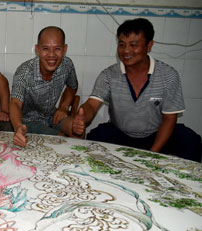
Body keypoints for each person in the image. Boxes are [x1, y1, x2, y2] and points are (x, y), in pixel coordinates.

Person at [72, 18, 202, 162]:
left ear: (149, 45)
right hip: (120, 133)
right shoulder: (108, 75)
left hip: (156, 134)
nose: (126, 51)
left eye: (133, 45)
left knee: (191, 141)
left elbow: (169, 119)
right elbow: (92, 105)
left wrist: (151, 155)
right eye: (122, 45)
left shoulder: (168, 75)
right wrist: (83, 117)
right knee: (95, 138)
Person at [9, 26, 79, 148]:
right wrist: (18, 127)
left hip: (52, 116)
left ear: (65, 49)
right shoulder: (24, 72)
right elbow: (15, 103)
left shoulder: (67, 65)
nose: (51, 55)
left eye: (57, 49)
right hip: (28, 121)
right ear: (37, 49)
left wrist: (63, 107)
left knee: (77, 129)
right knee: (61, 140)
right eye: (45, 49)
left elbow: (72, 86)